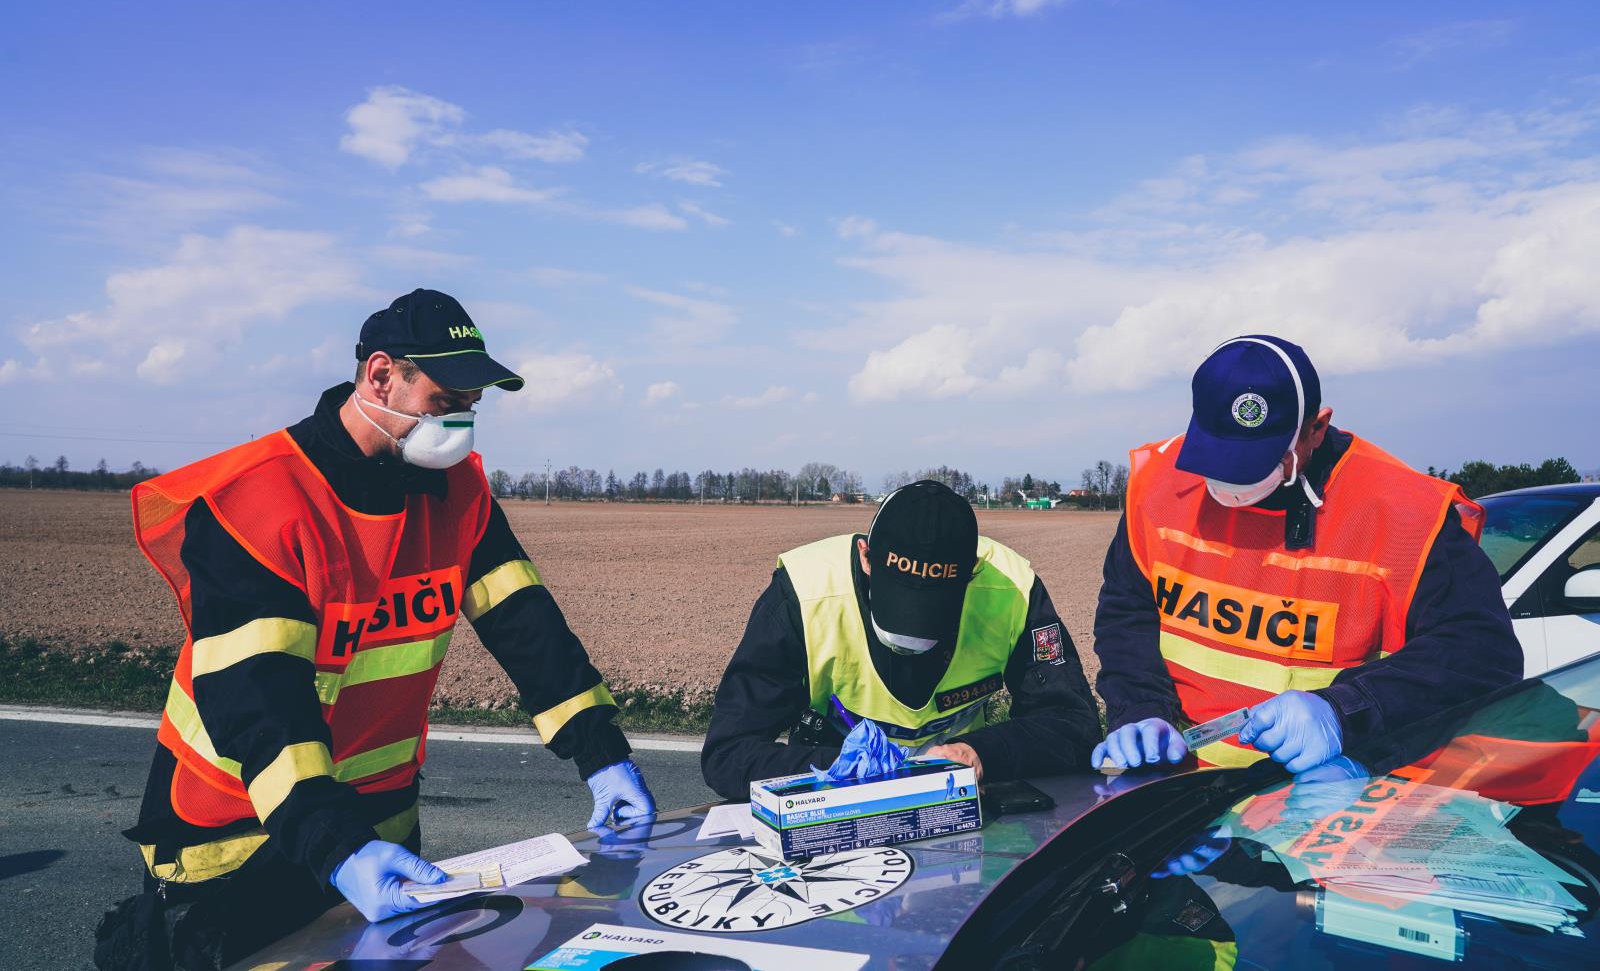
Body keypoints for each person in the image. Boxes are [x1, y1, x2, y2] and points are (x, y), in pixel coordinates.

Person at [95, 289, 655, 970]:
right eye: (445, 402)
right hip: (239, 840)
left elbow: (527, 627)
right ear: (382, 375)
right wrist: (337, 847)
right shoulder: (260, 500)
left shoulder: (457, 494)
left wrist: (603, 754)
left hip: (377, 830)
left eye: (471, 409)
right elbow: (259, 701)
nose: (460, 425)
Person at [1091, 334, 1522, 774]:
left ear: (1316, 428)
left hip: (1333, 801)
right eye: (1219, 457)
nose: (1231, 483)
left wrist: (1342, 711)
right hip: (1187, 790)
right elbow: (1128, 612)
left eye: (1256, 461)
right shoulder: (1159, 485)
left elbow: (1482, 654)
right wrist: (1139, 709)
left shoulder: (1404, 514)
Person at [701, 479, 1101, 800]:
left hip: (967, 809)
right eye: (901, 602)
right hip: (838, 813)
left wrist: (980, 752)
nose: (912, 632)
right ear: (865, 557)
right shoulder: (804, 594)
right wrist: (844, 769)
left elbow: (1074, 725)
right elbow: (728, 754)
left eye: (933, 611)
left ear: (972, 573)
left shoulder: (1013, 590)